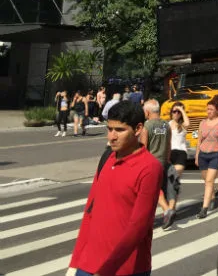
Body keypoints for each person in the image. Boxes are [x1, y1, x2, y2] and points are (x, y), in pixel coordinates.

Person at [69, 101, 163, 276]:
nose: (111, 137)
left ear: (138, 129)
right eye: (109, 129)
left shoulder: (150, 168)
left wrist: (106, 270)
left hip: (126, 268)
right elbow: (90, 211)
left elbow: (138, 227)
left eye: (119, 130)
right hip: (88, 264)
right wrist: (75, 262)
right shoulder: (107, 158)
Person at [141, 99, 179, 229]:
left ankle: (167, 210)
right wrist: (167, 160)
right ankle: (157, 215)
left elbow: (144, 148)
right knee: (156, 190)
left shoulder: (147, 126)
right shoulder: (166, 125)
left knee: (153, 190)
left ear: (147, 112)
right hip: (163, 161)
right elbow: (169, 145)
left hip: (150, 162)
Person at [195, 95, 218, 218]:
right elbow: (199, 141)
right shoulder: (202, 123)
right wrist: (196, 156)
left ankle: (204, 208)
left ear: (216, 110)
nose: (208, 112)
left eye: (211, 109)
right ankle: (211, 196)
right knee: (206, 181)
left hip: (216, 154)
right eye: (207, 109)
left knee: (210, 180)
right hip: (203, 155)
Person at [163, 101, 188, 229]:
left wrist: (181, 110)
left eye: (178, 111)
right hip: (170, 153)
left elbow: (187, 124)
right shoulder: (167, 125)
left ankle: (171, 208)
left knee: (175, 180)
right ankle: (171, 208)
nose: (176, 114)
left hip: (180, 154)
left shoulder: (182, 125)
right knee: (169, 183)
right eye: (174, 111)